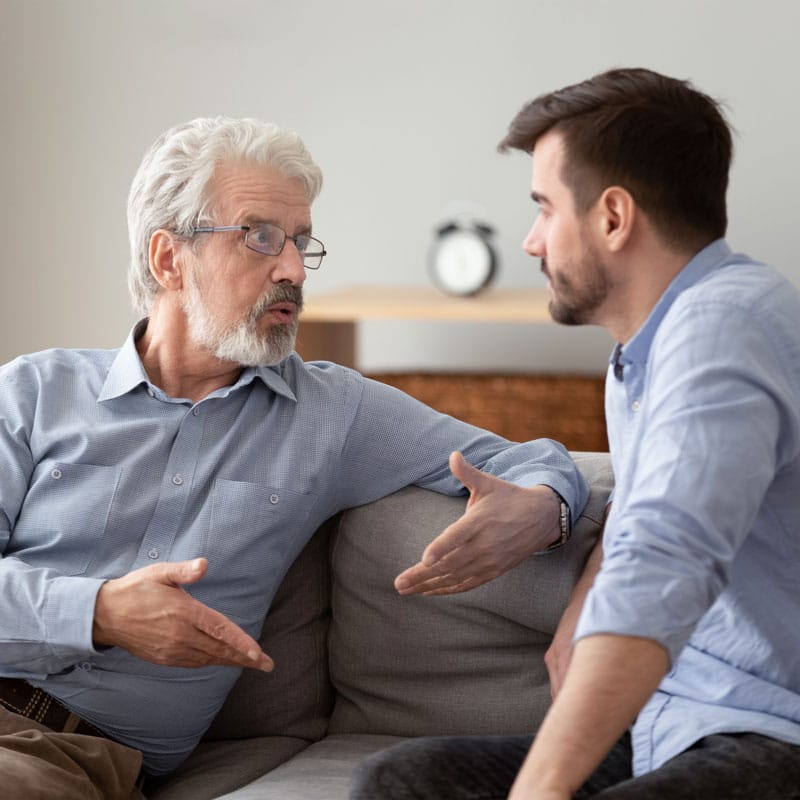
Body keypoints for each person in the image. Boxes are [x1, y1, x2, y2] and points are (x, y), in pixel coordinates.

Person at [0, 116, 589, 799]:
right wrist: (99, 611)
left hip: (64, 757)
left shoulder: (334, 414)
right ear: (169, 259)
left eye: (300, 241)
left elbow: (537, 461)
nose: (289, 269)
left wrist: (545, 510)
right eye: (259, 236)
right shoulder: (34, 393)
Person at [350, 68, 800, 799]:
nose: (531, 242)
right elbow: (650, 498)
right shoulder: (645, 350)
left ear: (613, 217)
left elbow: (667, 556)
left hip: (771, 733)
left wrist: (541, 790)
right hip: (673, 723)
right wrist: (584, 600)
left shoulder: (725, 326)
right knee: (403, 781)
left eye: (544, 208)